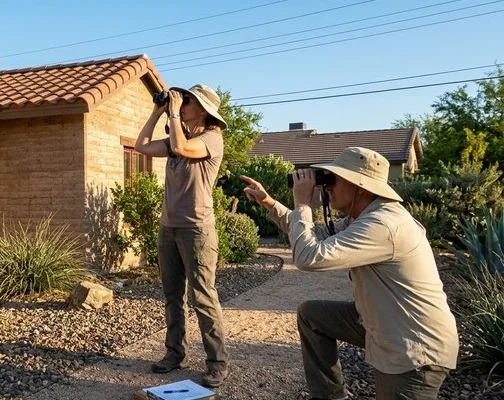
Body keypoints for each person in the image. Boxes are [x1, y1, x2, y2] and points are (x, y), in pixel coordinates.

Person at [241, 147, 459, 400]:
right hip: (381, 323)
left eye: (334, 180)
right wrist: (268, 202)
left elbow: (308, 257)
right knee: (313, 316)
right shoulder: (364, 217)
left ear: (361, 187)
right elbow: (315, 235)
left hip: (412, 347)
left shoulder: (383, 225)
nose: (327, 187)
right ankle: (330, 395)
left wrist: (302, 203)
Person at [133, 84, 229, 388]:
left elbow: (184, 149)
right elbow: (142, 146)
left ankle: (217, 363)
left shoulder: (211, 139)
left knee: (202, 296)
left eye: (187, 101)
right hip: (168, 228)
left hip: (196, 229)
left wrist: (173, 114)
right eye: (182, 100)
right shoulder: (178, 135)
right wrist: (157, 111)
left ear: (202, 109)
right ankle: (174, 354)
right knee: (172, 296)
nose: (182, 103)